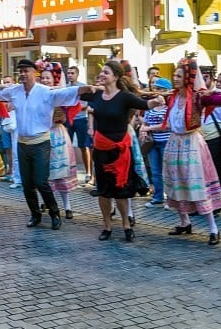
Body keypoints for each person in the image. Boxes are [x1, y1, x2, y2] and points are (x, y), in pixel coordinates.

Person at [0, 59, 93, 230]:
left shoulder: (46, 92)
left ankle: (54, 212)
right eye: (20, 71)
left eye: (26, 70)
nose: (22, 74)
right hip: (22, 143)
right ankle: (35, 214)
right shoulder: (14, 91)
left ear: (34, 73)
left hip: (41, 143)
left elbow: (68, 92)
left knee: (41, 181)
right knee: (27, 184)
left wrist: (88, 88)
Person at [77, 60, 164, 241]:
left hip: (120, 151)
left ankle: (125, 224)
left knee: (121, 191)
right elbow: (74, 93)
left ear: (116, 77)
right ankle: (107, 226)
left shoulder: (124, 97)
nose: (102, 75)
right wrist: (89, 88)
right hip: (101, 150)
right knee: (103, 190)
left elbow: (144, 104)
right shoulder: (96, 95)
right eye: (101, 72)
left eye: (106, 73)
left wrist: (156, 101)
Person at [161, 59, 221, 244]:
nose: (175, 78)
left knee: (197, 185)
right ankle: (184, 222)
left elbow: (217, 99)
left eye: (179, 76)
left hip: (191, 143)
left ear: (188, 78)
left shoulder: (197, 97)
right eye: (174, 75)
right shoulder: (172, 97)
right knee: (177, 182)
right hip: (175, 143)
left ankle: (213, 228)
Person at [38, 62, 79, 219]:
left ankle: (67, 206)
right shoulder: (39, 93)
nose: (45, 80)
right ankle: (45, 202)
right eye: (43, 78)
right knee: (44, 172)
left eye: (48, 77)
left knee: (61, 173)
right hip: (42, 134)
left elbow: (69, 100)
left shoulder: (60, 93)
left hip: (57, 134)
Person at [141, 77, 171, 208]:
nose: (156, 91)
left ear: (166, 91)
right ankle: (158, 196)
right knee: (155, 171)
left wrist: (148, 128)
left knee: (168, 171)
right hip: (152, 143)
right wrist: (143, 130)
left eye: (159, 89)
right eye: (156, 88)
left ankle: (171, 198)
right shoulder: (150, 106)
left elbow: (168, 125)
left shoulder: (169, 108)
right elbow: (145, 122)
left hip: (166, 141)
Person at [66, 65, 93, 185]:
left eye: (72, 73)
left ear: (77, 74)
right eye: (68, 73)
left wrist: (74, 108)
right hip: (68, 120)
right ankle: (68, 173)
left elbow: (86, 105)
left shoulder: (83, 87)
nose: (70, 75)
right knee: (66, 147)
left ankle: (88, 172)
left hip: (81, 119)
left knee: (84, 146)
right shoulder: (65, 88)